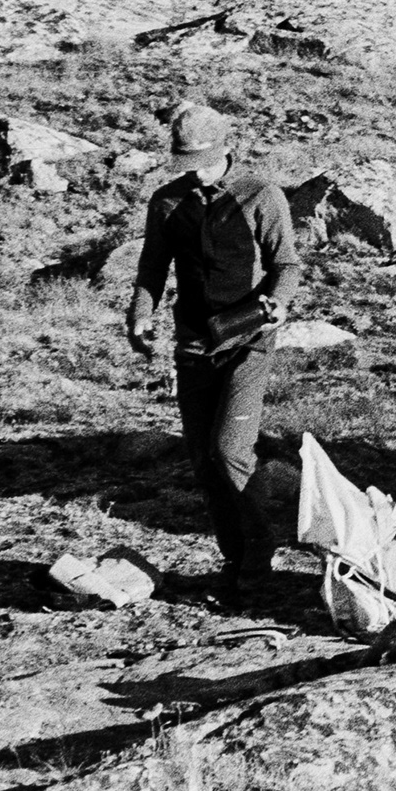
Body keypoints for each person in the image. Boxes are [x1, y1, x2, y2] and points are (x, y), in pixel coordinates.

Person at [125, 101, 301, 607]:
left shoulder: (259, 196)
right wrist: (140, 315)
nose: (192, 172)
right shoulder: (167, 202)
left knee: (230, 451)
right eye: (184, 162)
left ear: (226, 150)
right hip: (193, 344)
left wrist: (279, 304)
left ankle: (258, 559)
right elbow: (152, 268)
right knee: (205, 462)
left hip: (247, 340)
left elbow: (286, 264)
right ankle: (233, 557)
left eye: (199, 160)